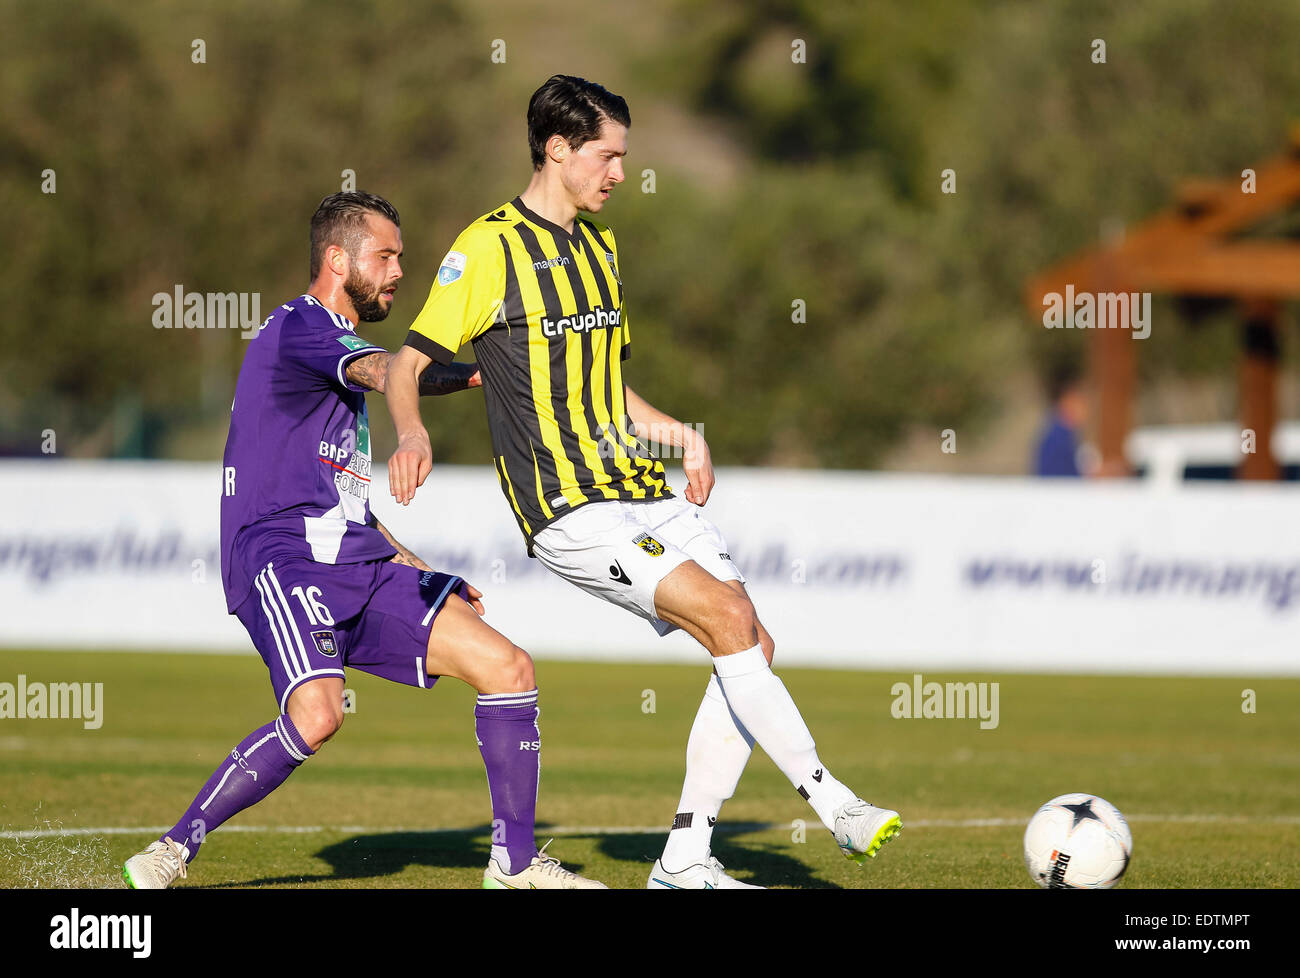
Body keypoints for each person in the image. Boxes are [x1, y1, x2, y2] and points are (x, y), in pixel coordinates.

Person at [384, 76, 901, 889]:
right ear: (557, 149)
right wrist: (411, 432)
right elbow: (408, 363)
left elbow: (608, 389)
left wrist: (680, 435)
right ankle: (833, 800)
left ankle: (685, 857)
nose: (621, 173)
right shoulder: (486, 249)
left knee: (752, 644)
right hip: (569, 507)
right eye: (608, 154)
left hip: (638, 486)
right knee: (730, 617)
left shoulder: (601, 249)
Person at [122, 191, 603, 890]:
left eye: (400, 257)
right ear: (336, 258)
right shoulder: (300, 328)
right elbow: (386, 372)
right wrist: (475, 373)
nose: (399, 270)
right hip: (282, 557)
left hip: (355, 559)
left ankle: (516, 864)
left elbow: (347, 505)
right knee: (317, 716)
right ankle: (172, 848)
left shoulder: (329, 360)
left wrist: (419, 566)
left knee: (510, 668)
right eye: (386, 256)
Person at [1034, 362, 1089, 477]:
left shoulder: (1063, 435)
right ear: (1067, 401)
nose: (1085, 408)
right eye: (1081, 401)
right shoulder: (1057, 438)